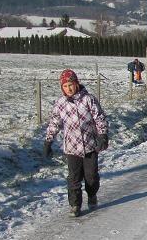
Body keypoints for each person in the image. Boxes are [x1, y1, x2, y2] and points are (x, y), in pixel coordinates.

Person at [43, 69, 109, 217]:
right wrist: (48, 140)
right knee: (73, 178)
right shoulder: (60, 104)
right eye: (65, 86)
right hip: (72, 148)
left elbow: (100, 118)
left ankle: (92, 194)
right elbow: (54, 123)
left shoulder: (88, 99)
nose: (69, 89)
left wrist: (103, 135)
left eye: (71, 84)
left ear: (76, 84)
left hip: (90, 145)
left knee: (91, 177)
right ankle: (75, 205)